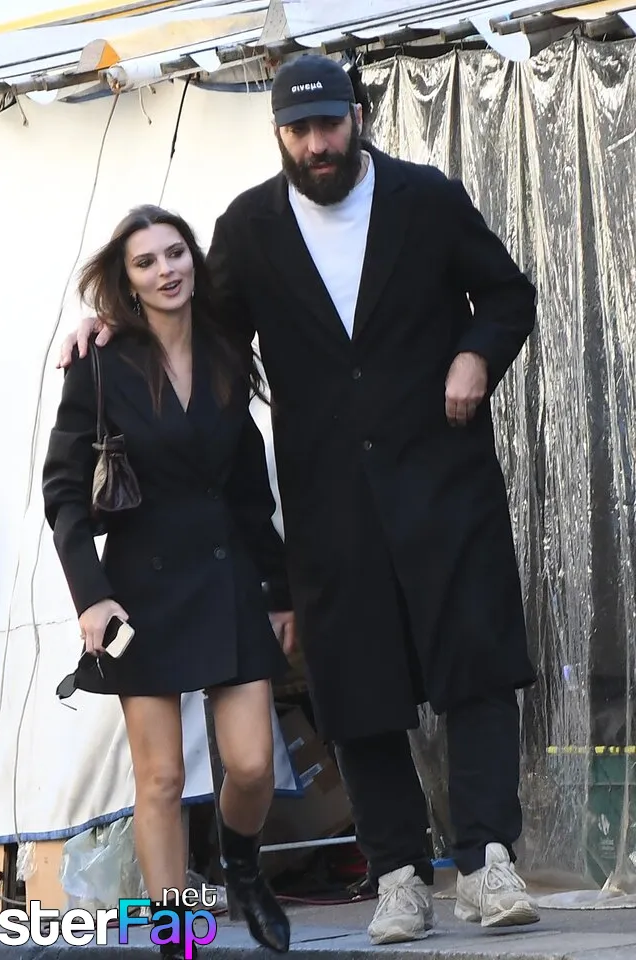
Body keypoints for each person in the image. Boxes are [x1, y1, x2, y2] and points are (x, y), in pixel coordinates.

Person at [58, 54, 541, 945]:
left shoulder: (427, 198)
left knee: (475, 667)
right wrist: (110, 324)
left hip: (445, 483)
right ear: (278, 134)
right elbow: (194, 326)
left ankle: (486, 861)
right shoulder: (249, 228)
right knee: (359, 685)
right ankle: (399, 875)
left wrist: (477, 354)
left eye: (329, 125)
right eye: (298, 130)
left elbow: (508, 294)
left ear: (358, 117)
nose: (317, 144)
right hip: (328, 501)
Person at [42, 204, 293, 956]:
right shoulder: (99, 363)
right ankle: (176, 936)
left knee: (252, 764)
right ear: (127, 282)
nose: (165, 270)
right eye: (146, 262)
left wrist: (279, 591)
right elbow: (63, 491)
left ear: (194, 259)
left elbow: (250, 489)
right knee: (159, 779)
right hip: (140, 594)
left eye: (175, 253)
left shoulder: (225, 351)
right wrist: (91, 596)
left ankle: (241, 867)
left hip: (226, 576)